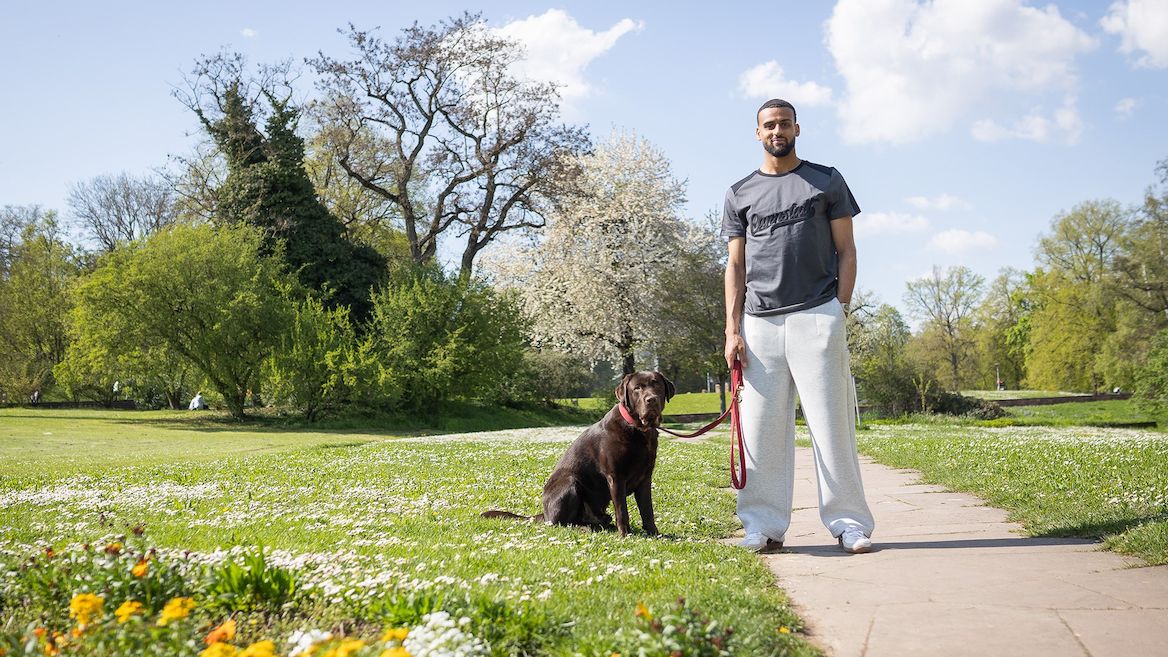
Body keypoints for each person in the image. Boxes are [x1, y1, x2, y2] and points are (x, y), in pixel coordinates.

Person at [722, 98, 875, 555]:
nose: (777, 131)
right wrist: (732, 331)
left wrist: (839, 310)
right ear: (757, 133)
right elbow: (734, 265)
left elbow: (847, 250)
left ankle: (849, 523)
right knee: (760, 431)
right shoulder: (739, 193)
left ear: (797, 128)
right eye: (768, 125)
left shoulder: (826, 181)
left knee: (832, 426)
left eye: (784, 123)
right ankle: (762, 526)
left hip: (816, 314)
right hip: (759, 324)